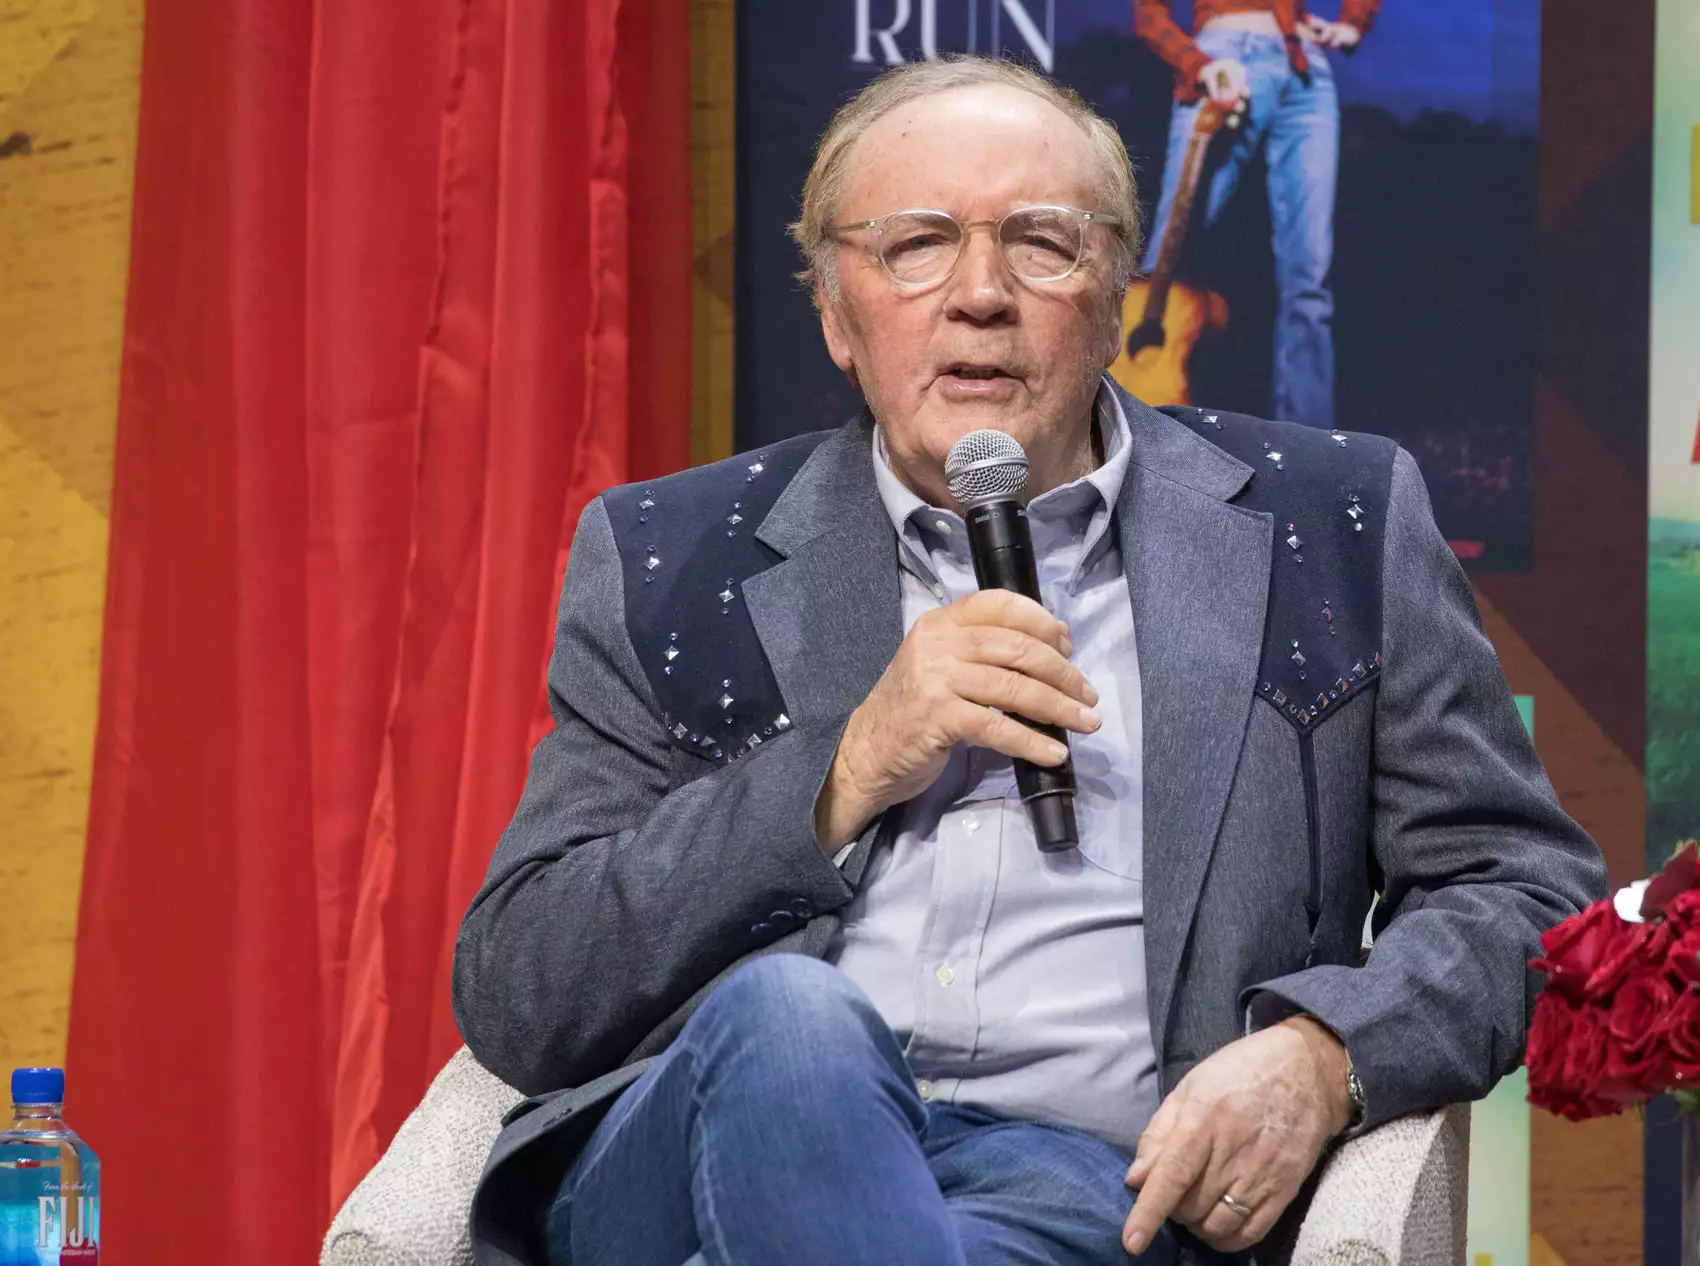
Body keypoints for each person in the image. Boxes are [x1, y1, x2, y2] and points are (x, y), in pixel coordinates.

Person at [453, 55, 1603, 1266]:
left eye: (1042, 244)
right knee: (791, 1022)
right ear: (836, 314)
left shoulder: (1328, 523)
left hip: (1077, 1181)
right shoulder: (675, 552)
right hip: (707, 1144)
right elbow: (524, 983)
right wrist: (843, 770)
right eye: (915, 246)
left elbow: (1524, 891)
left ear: (1114, 296)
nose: (979, 295)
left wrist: (1326, 1054)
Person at [1133, 0, 1381, 430]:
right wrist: (1198, 64)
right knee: (1169, 260)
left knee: (1309, 279)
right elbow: (1148, 13)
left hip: (1304, 67)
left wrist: (1353, 23)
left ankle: (1310, 449)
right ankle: (1137, 427)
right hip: (1227, 57)